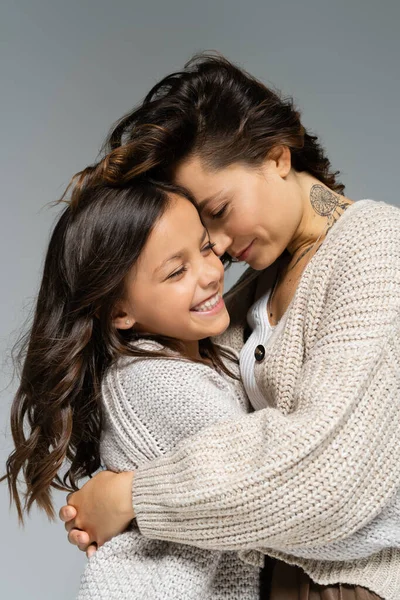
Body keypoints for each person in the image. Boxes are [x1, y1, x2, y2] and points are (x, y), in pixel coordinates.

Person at [59, 54, 400, 600]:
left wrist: (132, 498)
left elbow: (329, 477)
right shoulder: (252, 291)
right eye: (202, 225)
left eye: (219, 210)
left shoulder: (378, 250)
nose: (215, 244)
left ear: (277, 156)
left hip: (355, 584)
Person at [1, 169, 265, 598]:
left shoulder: (200, 353)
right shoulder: (149, 380)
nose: (211, 273)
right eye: (177, 271)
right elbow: (262, 475)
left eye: (205, 248)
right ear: (120, 311)